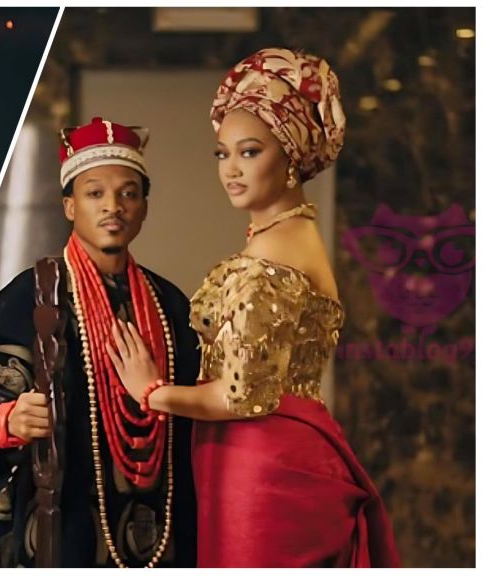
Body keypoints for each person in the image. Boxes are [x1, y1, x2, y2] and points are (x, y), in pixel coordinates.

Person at [109, 48, 401, 567]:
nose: (231, 170)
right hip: (284, 450)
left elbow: (241, 395)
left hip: (262, 467)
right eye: (222, 154)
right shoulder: (296, 235)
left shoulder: (271, 255)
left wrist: (151, 392)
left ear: (289, 155)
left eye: (249, 152)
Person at [0, 117, 199, 568]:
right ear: (69, 206)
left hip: (155, 517)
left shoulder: (171, 305)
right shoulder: (32, 296)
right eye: (95, 193)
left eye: (128, 194)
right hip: (63, 518)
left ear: (144, 207)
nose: (113, 206)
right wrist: (7, 418)